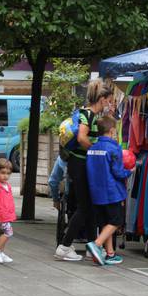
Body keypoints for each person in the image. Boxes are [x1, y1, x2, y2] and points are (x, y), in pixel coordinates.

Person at [54, 79, 114, 261]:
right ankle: (64, 246)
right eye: (109, 100)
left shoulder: (90, 115)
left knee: (90, 207)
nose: (109, 103)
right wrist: (96, 150)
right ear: (102, 99)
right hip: (79, 165)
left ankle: (92, 247)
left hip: (80, 164)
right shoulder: (88, 115)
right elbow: (81, 137)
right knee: (85, 207)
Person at [85, 116, 131, 266]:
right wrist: (129, 171)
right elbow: (118, 172)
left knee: (105, 223)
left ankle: (110, 254)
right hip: (112, 192)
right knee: (116, 221)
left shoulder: (92, 148)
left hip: (96, 193)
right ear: (112, 131)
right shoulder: (114, 148)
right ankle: (96, 244)